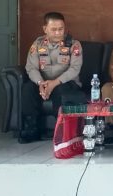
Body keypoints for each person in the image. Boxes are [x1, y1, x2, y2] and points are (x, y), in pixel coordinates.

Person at [20, 12, 84, 143]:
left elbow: (74, 69)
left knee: (60, 90)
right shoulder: (38, 44)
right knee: (28, 88)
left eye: (61, 29)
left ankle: (60, 131)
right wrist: (40, 83)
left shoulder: (73, 44)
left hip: (66, 82)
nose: (58, 33)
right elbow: (31, 67)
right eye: (53, 29)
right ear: (45, 29)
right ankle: (31, 129)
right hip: (43, 82)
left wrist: (54, 83)